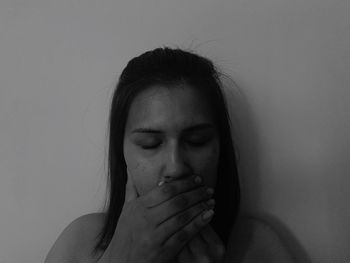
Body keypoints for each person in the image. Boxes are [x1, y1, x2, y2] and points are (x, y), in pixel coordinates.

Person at [45, 47, 294, 263]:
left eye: (197, 141)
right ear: (121, 153)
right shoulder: (80, 243)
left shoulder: (259, 245)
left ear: (222, 148)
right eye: (150, 144)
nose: (176, 167)